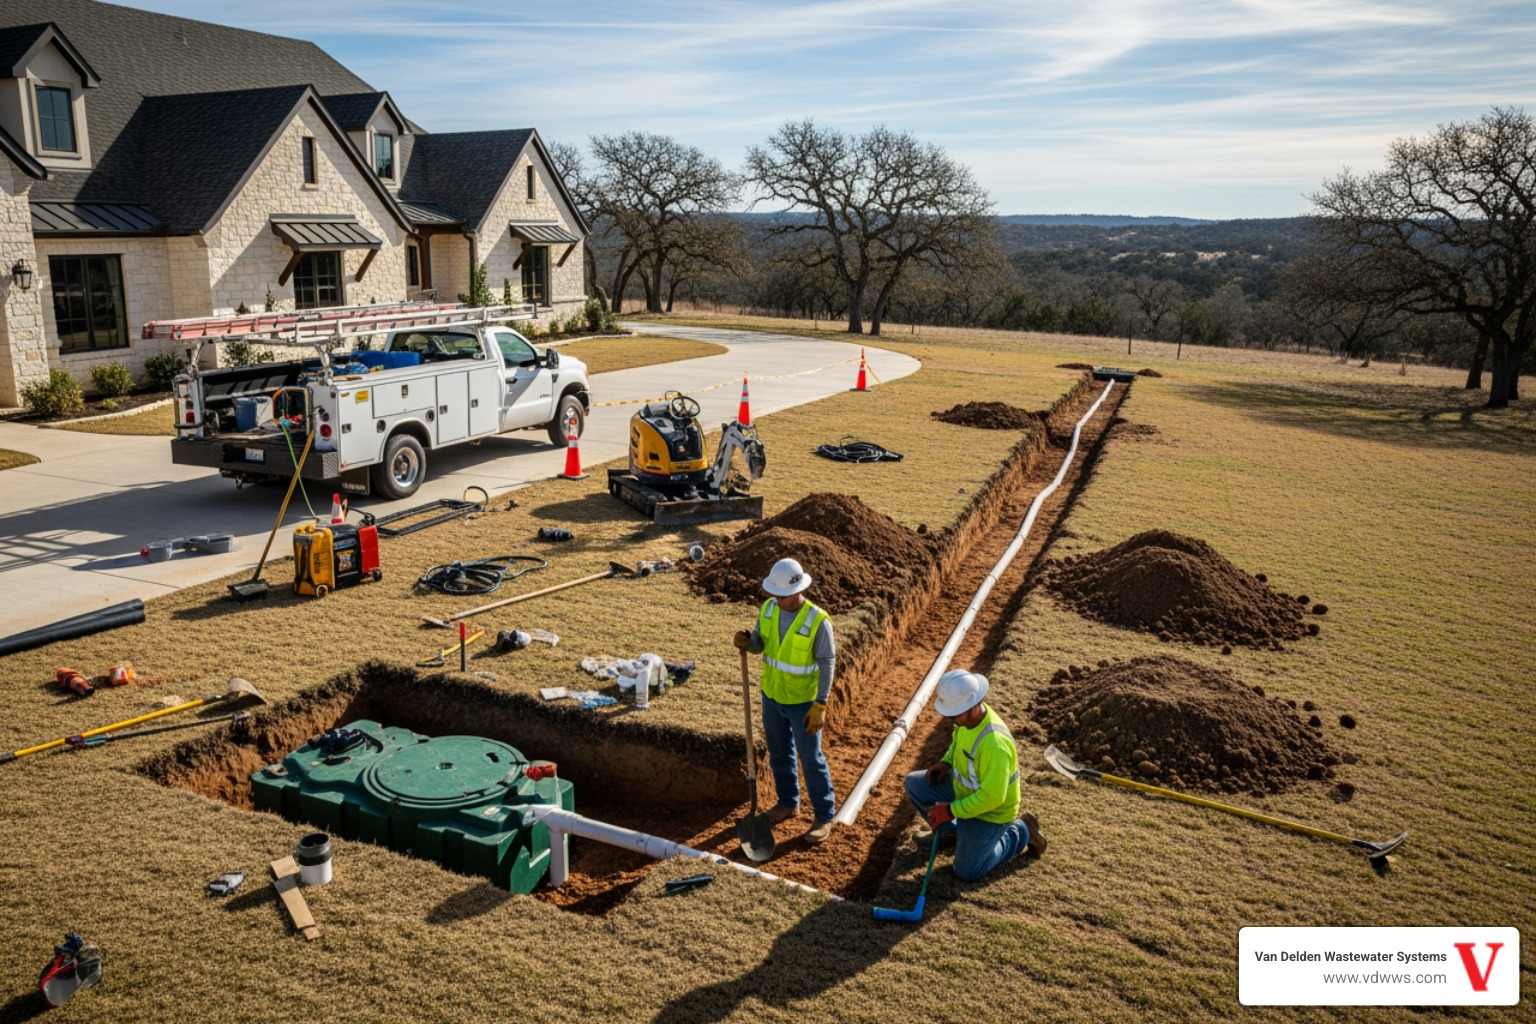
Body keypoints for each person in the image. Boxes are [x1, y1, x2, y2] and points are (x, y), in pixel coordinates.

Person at [902, 669, 1047, 880]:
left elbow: (992, 798)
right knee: (915, 784)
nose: (951, 720)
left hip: (990, 811)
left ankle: (1022, 831)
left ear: (972, 705)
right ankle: (950, 834)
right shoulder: (968, 720)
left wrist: (951, 810)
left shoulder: (994, 745)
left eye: (954, 715)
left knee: (967, 871)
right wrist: (946, 762)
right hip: (965, 791)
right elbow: (957, 741)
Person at [733, 557, 837, 844]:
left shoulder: (817, 621)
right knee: (779, 752)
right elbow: (759, 643)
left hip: (804, 703)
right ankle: (788, 803)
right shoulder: (767, 609)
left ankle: (824, 815)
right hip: (772, 696)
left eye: (783, 595)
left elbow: (827, 662)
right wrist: (748, 643)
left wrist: (821, 703)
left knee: (811, 759)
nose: (778, 599)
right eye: (775, 594)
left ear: (798, 589)